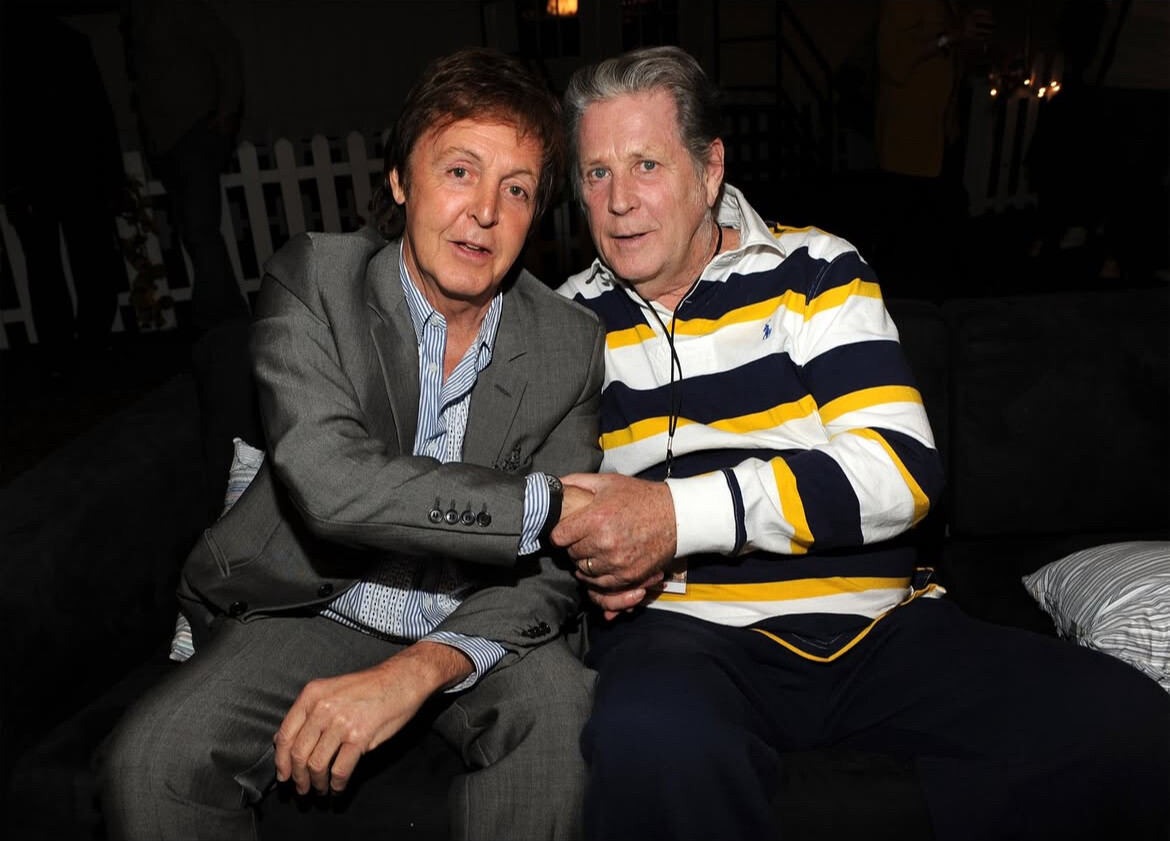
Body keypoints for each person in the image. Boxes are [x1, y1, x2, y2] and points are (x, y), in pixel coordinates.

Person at [553, 46, 1170, 841]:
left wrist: (676, 517)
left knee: (1131, 724)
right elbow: (539, 503)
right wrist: (588, 557)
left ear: (709, 171)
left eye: (646, 164)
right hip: (685, 640)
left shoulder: (816, 271)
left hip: (882, 631)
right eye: (597, 173)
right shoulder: (566, 323)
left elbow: (899, 470)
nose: (619, 200)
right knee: (648, 739)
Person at [99, 47, 604, 841]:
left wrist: (421, 666)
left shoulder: (568, 343)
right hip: (319, 602)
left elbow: (548, 578)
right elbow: (331, 484)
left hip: (479, 616)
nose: (485, 211)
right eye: (460, 171)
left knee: (560, 714)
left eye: (517, 189)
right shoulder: (317, 281)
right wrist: (543, 506)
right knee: (153, 760)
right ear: (400, 180)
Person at [0, 2, 126, 369]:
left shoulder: (69, 42)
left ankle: (82, 342)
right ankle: (72, 345)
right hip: (55, 177)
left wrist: (110, 176)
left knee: (74, 261)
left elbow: (97, 114)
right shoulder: (66, 42)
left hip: (68, 175)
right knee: (56, 264)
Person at [121, 0, 250, 334]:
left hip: (195, 132)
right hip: (167, 145)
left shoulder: (179, 7)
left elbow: (226, 51)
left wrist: (225, 114)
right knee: (194, 233)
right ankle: (229, 314)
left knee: (199, 228)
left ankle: (216, 319)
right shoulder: (135, 18)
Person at [872, 1, 993, 298]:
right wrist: (949, 37)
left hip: (940, 138)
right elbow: (892, 61)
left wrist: (972, 46)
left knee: (938, 233)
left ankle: (937, 303)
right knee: (902, 236)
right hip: (907, 140)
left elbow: (952, 63)